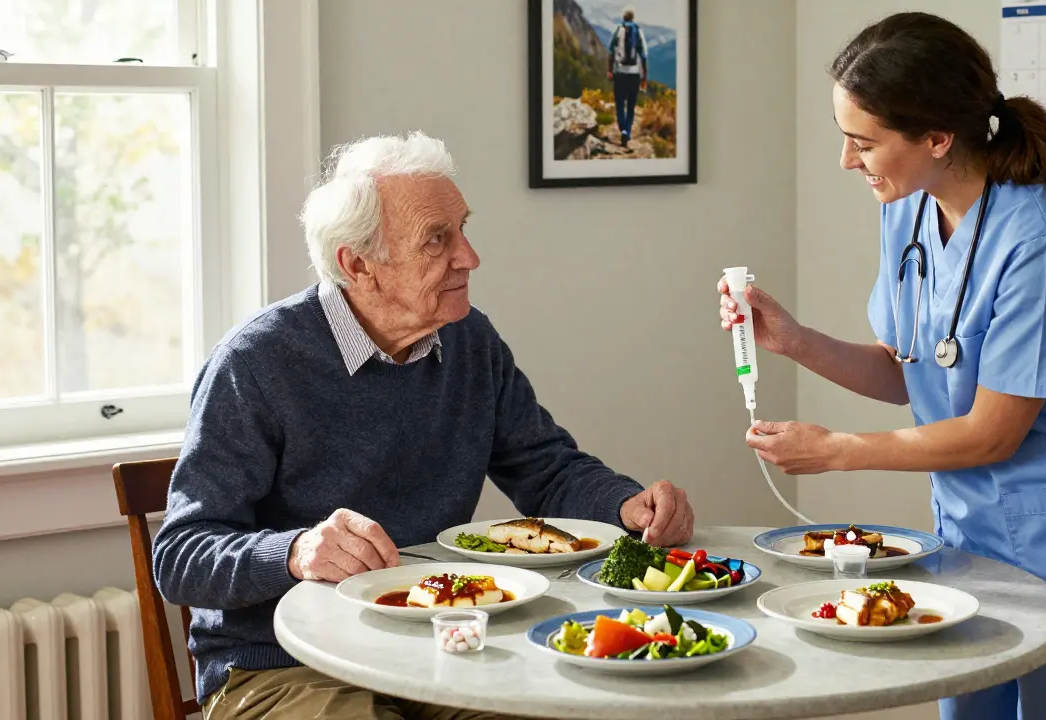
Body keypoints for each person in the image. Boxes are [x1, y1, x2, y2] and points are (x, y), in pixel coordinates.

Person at [718, 12, 1046, 720]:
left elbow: (994, 432)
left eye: (863, 141)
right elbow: (919, 372)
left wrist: (838, 452)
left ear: (936, 138)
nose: (847, 160)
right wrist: (794, 339)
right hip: (971, 554)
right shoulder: (907, 209)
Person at [153, 130, 695, 720]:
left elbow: (546, 468)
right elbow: (181, 556)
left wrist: (625, 506)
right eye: (437, 240)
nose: (469, 256)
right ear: (357, 264)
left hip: (440, 647)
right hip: (280, 667)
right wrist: (296, 551)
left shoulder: (469, 341)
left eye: (462, 229)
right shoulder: (255, 363)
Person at [606, 5, 648, 147]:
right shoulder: (639, 31)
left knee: (619, 103)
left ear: (623, 18)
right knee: (631, 105)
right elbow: (644, 55)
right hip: (634, 74)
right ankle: (627, 132)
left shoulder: (618, 30)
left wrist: (610, 70)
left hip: (620, 73)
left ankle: (622, 128)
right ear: (633, 17)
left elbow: (611, 51)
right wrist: (644, 75)